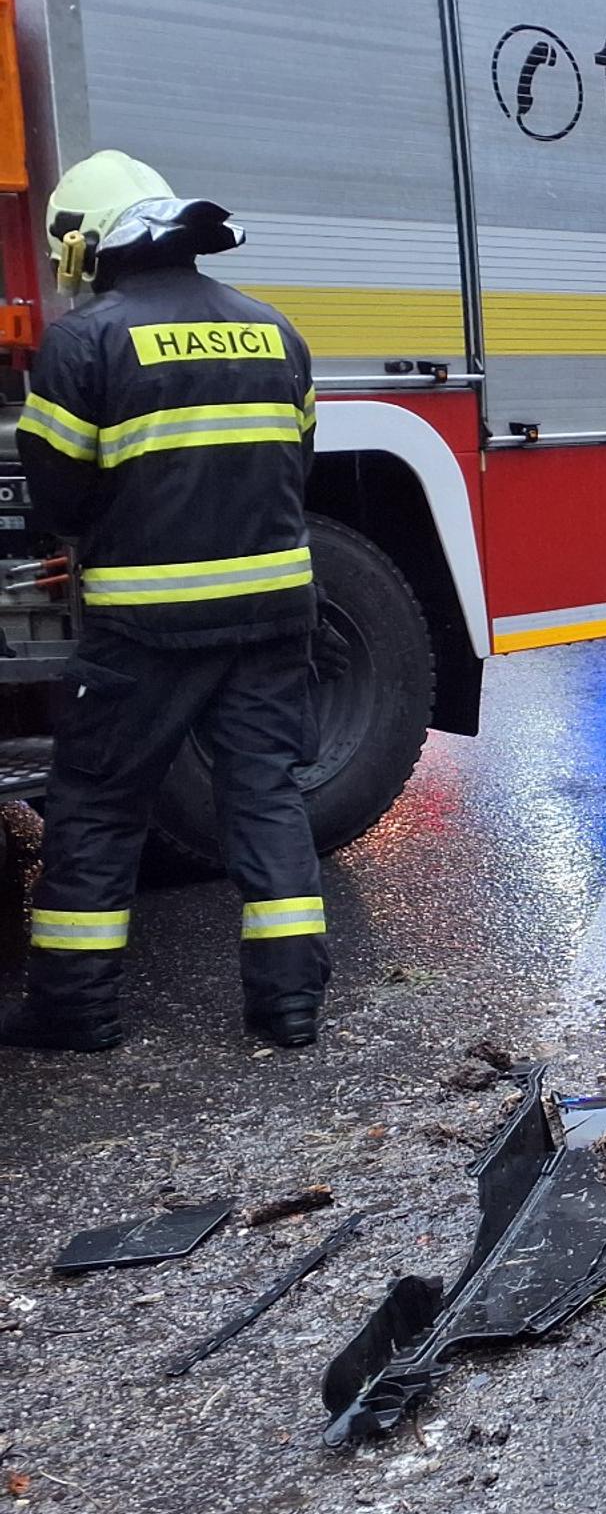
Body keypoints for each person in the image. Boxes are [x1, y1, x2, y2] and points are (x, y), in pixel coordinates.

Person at [0, 150, 331, 1054]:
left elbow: (60, 500)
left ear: (91, 240)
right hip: (272, 612)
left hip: (145, 627)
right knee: (265, 795)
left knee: (100, 804)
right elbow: (295, 468)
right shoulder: (274, 330)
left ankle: (77, 1009)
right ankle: (290, 1004)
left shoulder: (86, 340)